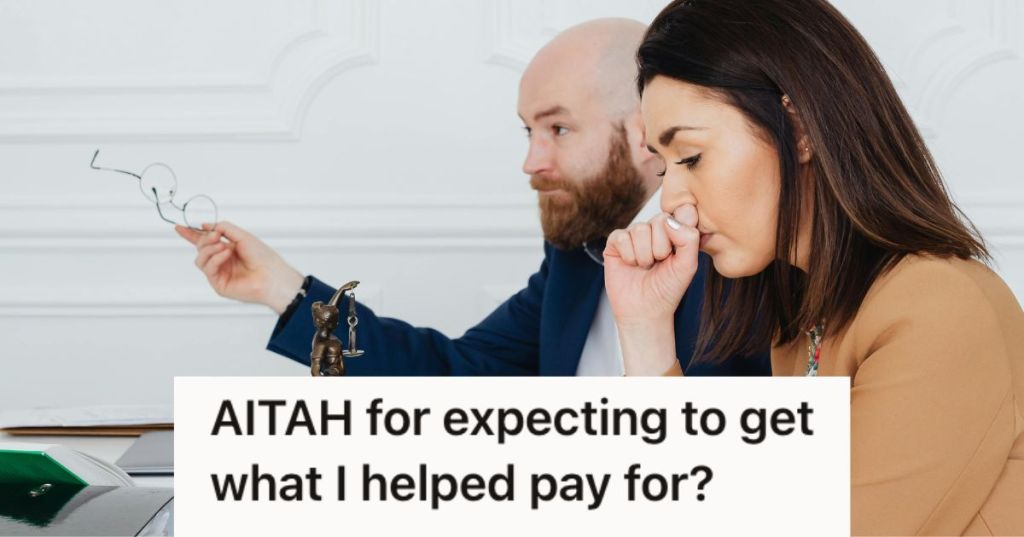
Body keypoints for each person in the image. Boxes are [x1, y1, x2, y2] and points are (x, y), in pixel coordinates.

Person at [603, 0, 1024, 534]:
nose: (671, 200)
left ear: (799, 128)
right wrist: (644, 331)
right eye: (663, 169)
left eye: (690, 157)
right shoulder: (806, 319)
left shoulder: (940, 307)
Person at [176, 18, 770, 377]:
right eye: (527, 131)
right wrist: (280, 288)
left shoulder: (742, 257)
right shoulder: (577, 259)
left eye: (558, 129)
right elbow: (455, 378)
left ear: (647, 133)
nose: (531, 162)